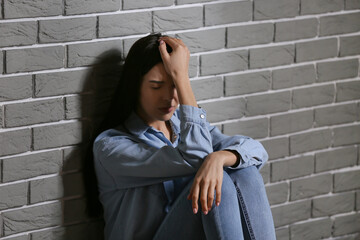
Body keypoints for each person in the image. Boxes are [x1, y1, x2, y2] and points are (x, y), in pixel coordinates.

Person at [92, 33, 276, 240]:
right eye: (156, 86)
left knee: (244, 172)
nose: (169, 97)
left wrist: (219, 158)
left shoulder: (182, 125)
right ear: (135, 87)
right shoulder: (111, 147)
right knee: (218, 180)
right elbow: (196, 157)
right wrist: (181, 78)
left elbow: (256, 151)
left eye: (174, 86)